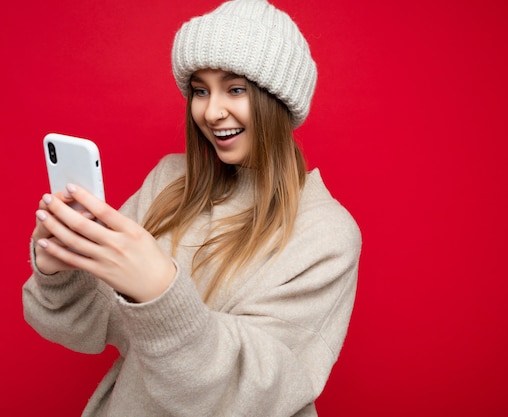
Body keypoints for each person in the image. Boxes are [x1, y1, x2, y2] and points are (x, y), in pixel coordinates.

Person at [22, 0, 361, 415]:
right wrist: (63, 268)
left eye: (235, 89)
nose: (211, 111)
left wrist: (160, 292)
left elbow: (256, 395)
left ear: (278, 101)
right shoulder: (170, 182)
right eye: (200, 90)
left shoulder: (325, 234)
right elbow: (97, 323)